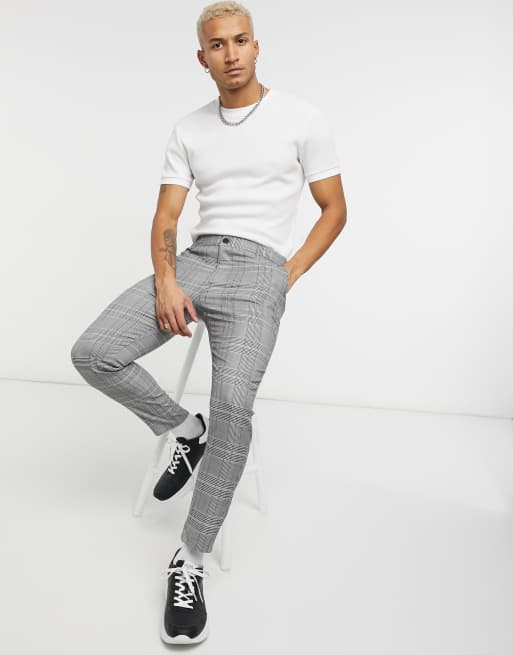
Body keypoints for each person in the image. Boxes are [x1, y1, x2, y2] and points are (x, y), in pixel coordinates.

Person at [70, 0, 347, 645]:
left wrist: (287, 273)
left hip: (260, 270)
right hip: (195, 262)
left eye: (240, 40)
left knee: (233, 408)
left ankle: (190, 559)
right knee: (94, 351)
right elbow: (167, 217)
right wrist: (168, 280)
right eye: (217, 45)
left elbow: (334, 208)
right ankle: (182, 430)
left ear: (257, 46)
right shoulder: (189, 128)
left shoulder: (303, 118)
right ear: (203, 58)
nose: (231, 53)